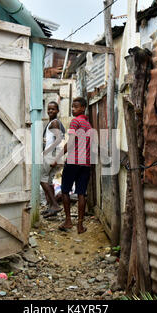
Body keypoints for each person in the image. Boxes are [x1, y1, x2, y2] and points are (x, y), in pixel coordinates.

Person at [52, 97, 92, 234]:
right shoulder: (88, 124)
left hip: (74, 161)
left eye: (76, 107)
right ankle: (80, 226)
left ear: (83, 108)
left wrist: (57, 158)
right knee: (81, 193)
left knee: (65, 190)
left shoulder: (75, 122)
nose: (73, 109)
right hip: (86, 163)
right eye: (72, 107)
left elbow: (70, 143)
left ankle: (68, 221)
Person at [41, 101, 65, 218]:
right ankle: (51, 207)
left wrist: (46, 151)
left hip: (50, 155)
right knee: (49, 181)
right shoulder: (53, 122)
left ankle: (54, 205)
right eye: (49, 109)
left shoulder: (54, 123)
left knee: (42, 179)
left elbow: (59, 139)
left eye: (53, 109)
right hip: (53, 155)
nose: (50, 111)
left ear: (57, 111)